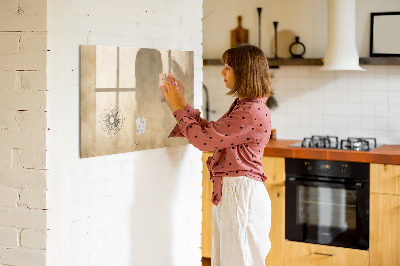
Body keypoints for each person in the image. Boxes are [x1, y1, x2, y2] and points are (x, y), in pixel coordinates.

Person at [161, 44, 273, 266]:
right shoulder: (246, 106)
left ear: (244, 72)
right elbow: (212, 133)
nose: (222, 72)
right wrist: (182, 103)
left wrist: (176, 108)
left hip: (241, 195)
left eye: (228, 67)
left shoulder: (250, 111)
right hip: (236, 193)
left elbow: (204, 141)